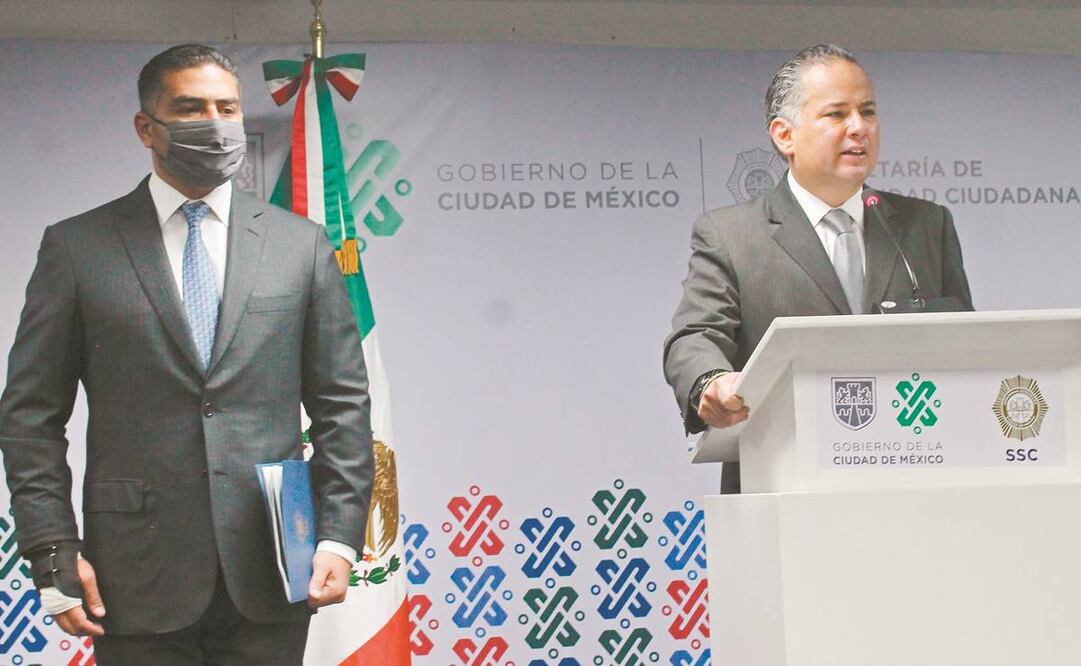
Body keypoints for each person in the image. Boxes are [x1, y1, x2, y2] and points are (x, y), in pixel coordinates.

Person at [0, 44, 373, 664]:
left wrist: (337, 537)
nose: (214, 122)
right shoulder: (77, 247)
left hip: (274, 568)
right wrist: (52, 553)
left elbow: (343, 405)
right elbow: (29, 418)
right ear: (147, 126)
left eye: (227, 107)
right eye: (191, 108)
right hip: (132, 574)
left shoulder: (299, 246)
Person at [663, 44, 973, 493]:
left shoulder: (926, 225)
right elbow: (694, 337)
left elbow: (963, 344)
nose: (859, 128)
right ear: (784, 135)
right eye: (836, 115)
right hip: (786, 482)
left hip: (916, 477)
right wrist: (711, 381)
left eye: (867, 112)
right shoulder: (731, 234)